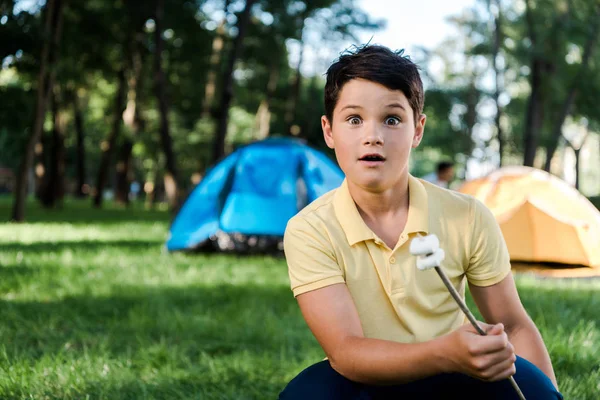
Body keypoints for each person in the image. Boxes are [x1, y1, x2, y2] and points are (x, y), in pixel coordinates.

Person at [280, 45, 562, 399]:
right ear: (329, 131)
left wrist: (544, 393)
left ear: (418, 130)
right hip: (365, 378)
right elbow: (346, 352)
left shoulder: (468, 216)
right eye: (354, 119)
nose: (373, 135)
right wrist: (443, 352)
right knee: (308, 394)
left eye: (392, 119)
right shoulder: (310, 229)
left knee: (530, 385)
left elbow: (515, 325)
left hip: (457, 375)